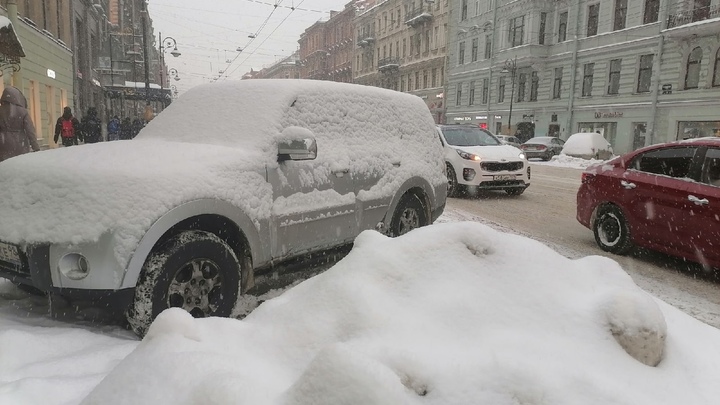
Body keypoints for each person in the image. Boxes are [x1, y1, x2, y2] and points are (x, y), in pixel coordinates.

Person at [0, 86, 40, 163]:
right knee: (20, 165)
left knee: (4, 167)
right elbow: (30, 131)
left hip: (3, 143)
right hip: (20, 143)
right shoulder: (23, 112)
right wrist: (35, 147)